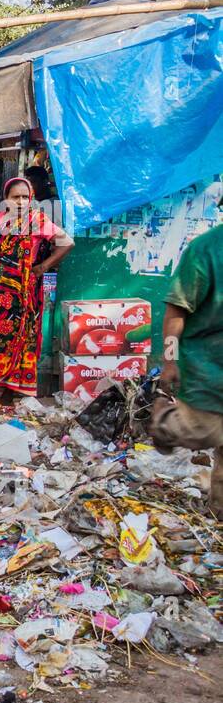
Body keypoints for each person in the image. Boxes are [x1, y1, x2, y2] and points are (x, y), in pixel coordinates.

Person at [0, 177, 73, 406]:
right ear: (6, 199)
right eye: (15, 197)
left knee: (14, 342)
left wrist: (43, 267)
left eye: (25, 197)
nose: (21, 201)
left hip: (20, 298)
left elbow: (67, 243)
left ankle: (8, 393)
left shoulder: (38, 221)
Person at [151, 222, 223, 518]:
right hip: (208, 367)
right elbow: (176, 310)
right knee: (203, 431)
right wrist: (170, 361)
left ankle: (219, 511)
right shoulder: (205, 249)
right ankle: (164, 423)